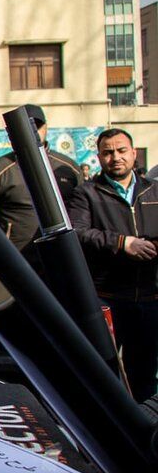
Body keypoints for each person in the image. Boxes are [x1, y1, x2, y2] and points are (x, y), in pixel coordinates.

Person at [68, 128, 158, 402]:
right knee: (100, 372)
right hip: (108, 297)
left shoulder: (154, 189)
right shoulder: (87, 193)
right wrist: (122, 243)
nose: (115, 157)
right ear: (99, 157)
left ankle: (144, 435)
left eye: (121, 151)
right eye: (108, 152)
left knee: (144, 373)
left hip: (151, 296)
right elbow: (78, 232)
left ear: (133, 153)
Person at [0, 105, 82, 254]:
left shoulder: (69, 168)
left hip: (63, 256)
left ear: (46, 127)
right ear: (11, 132)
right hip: (17, 259)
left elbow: (81, 213)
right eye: (25, 126)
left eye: (37, 126)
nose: (32, 131)